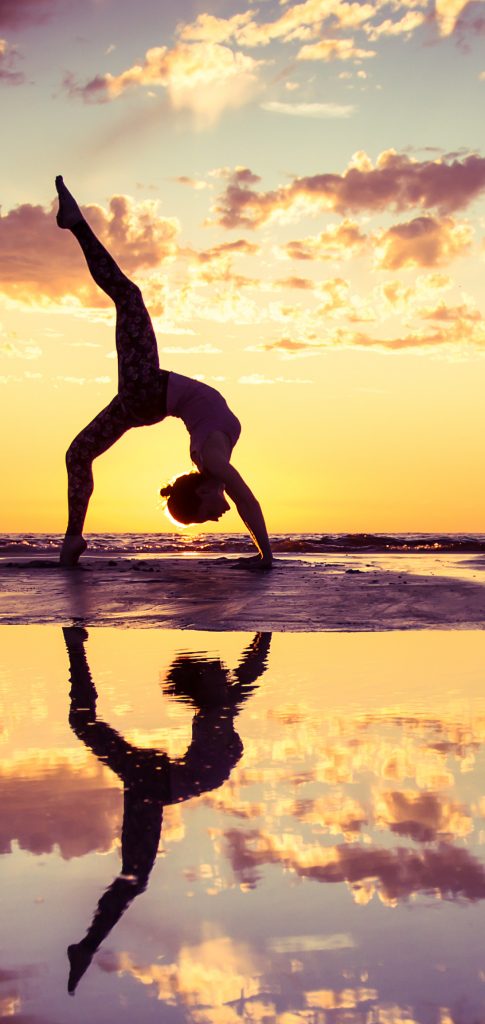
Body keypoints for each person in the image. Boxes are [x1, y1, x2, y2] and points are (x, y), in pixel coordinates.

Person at [55, 177, 273, 570]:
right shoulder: (214, 462)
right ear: (207, 491)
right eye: (207, 516)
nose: (214, 520)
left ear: (204, 491)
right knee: (78, 454)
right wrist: (266, 557)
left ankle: (76, 224)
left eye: (203, 517)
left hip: (148, 392)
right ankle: (72, 540)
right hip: (147, 396)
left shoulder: (210, 461)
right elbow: (247, 500)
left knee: (128, 296)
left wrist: (265, 556)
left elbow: (245, 502)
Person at [63, 625, 271, 993]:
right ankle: (74, 646)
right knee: (134, 877)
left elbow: (250, 672)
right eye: (217, 674)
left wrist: (265, 634)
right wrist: (265, 633)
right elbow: (251, 672)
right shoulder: (218, 709)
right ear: (205, 689)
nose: (225, 675)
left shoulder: (219, 708)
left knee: (135, 877)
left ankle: (87, 946)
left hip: (158, 780)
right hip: (158, 781)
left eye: (220, 672)